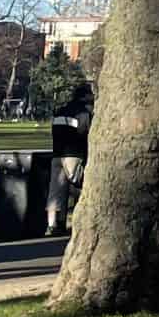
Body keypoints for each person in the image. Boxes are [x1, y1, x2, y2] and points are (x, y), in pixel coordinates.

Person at [48, 82, 94, 235]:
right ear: (86, 96)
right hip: (74, 154)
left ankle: (53, 224)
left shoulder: (60, 111)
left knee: (55, 191)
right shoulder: (83, 112)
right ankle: (80, 222)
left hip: (57, 154)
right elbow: (86, 133)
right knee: (80, 187)